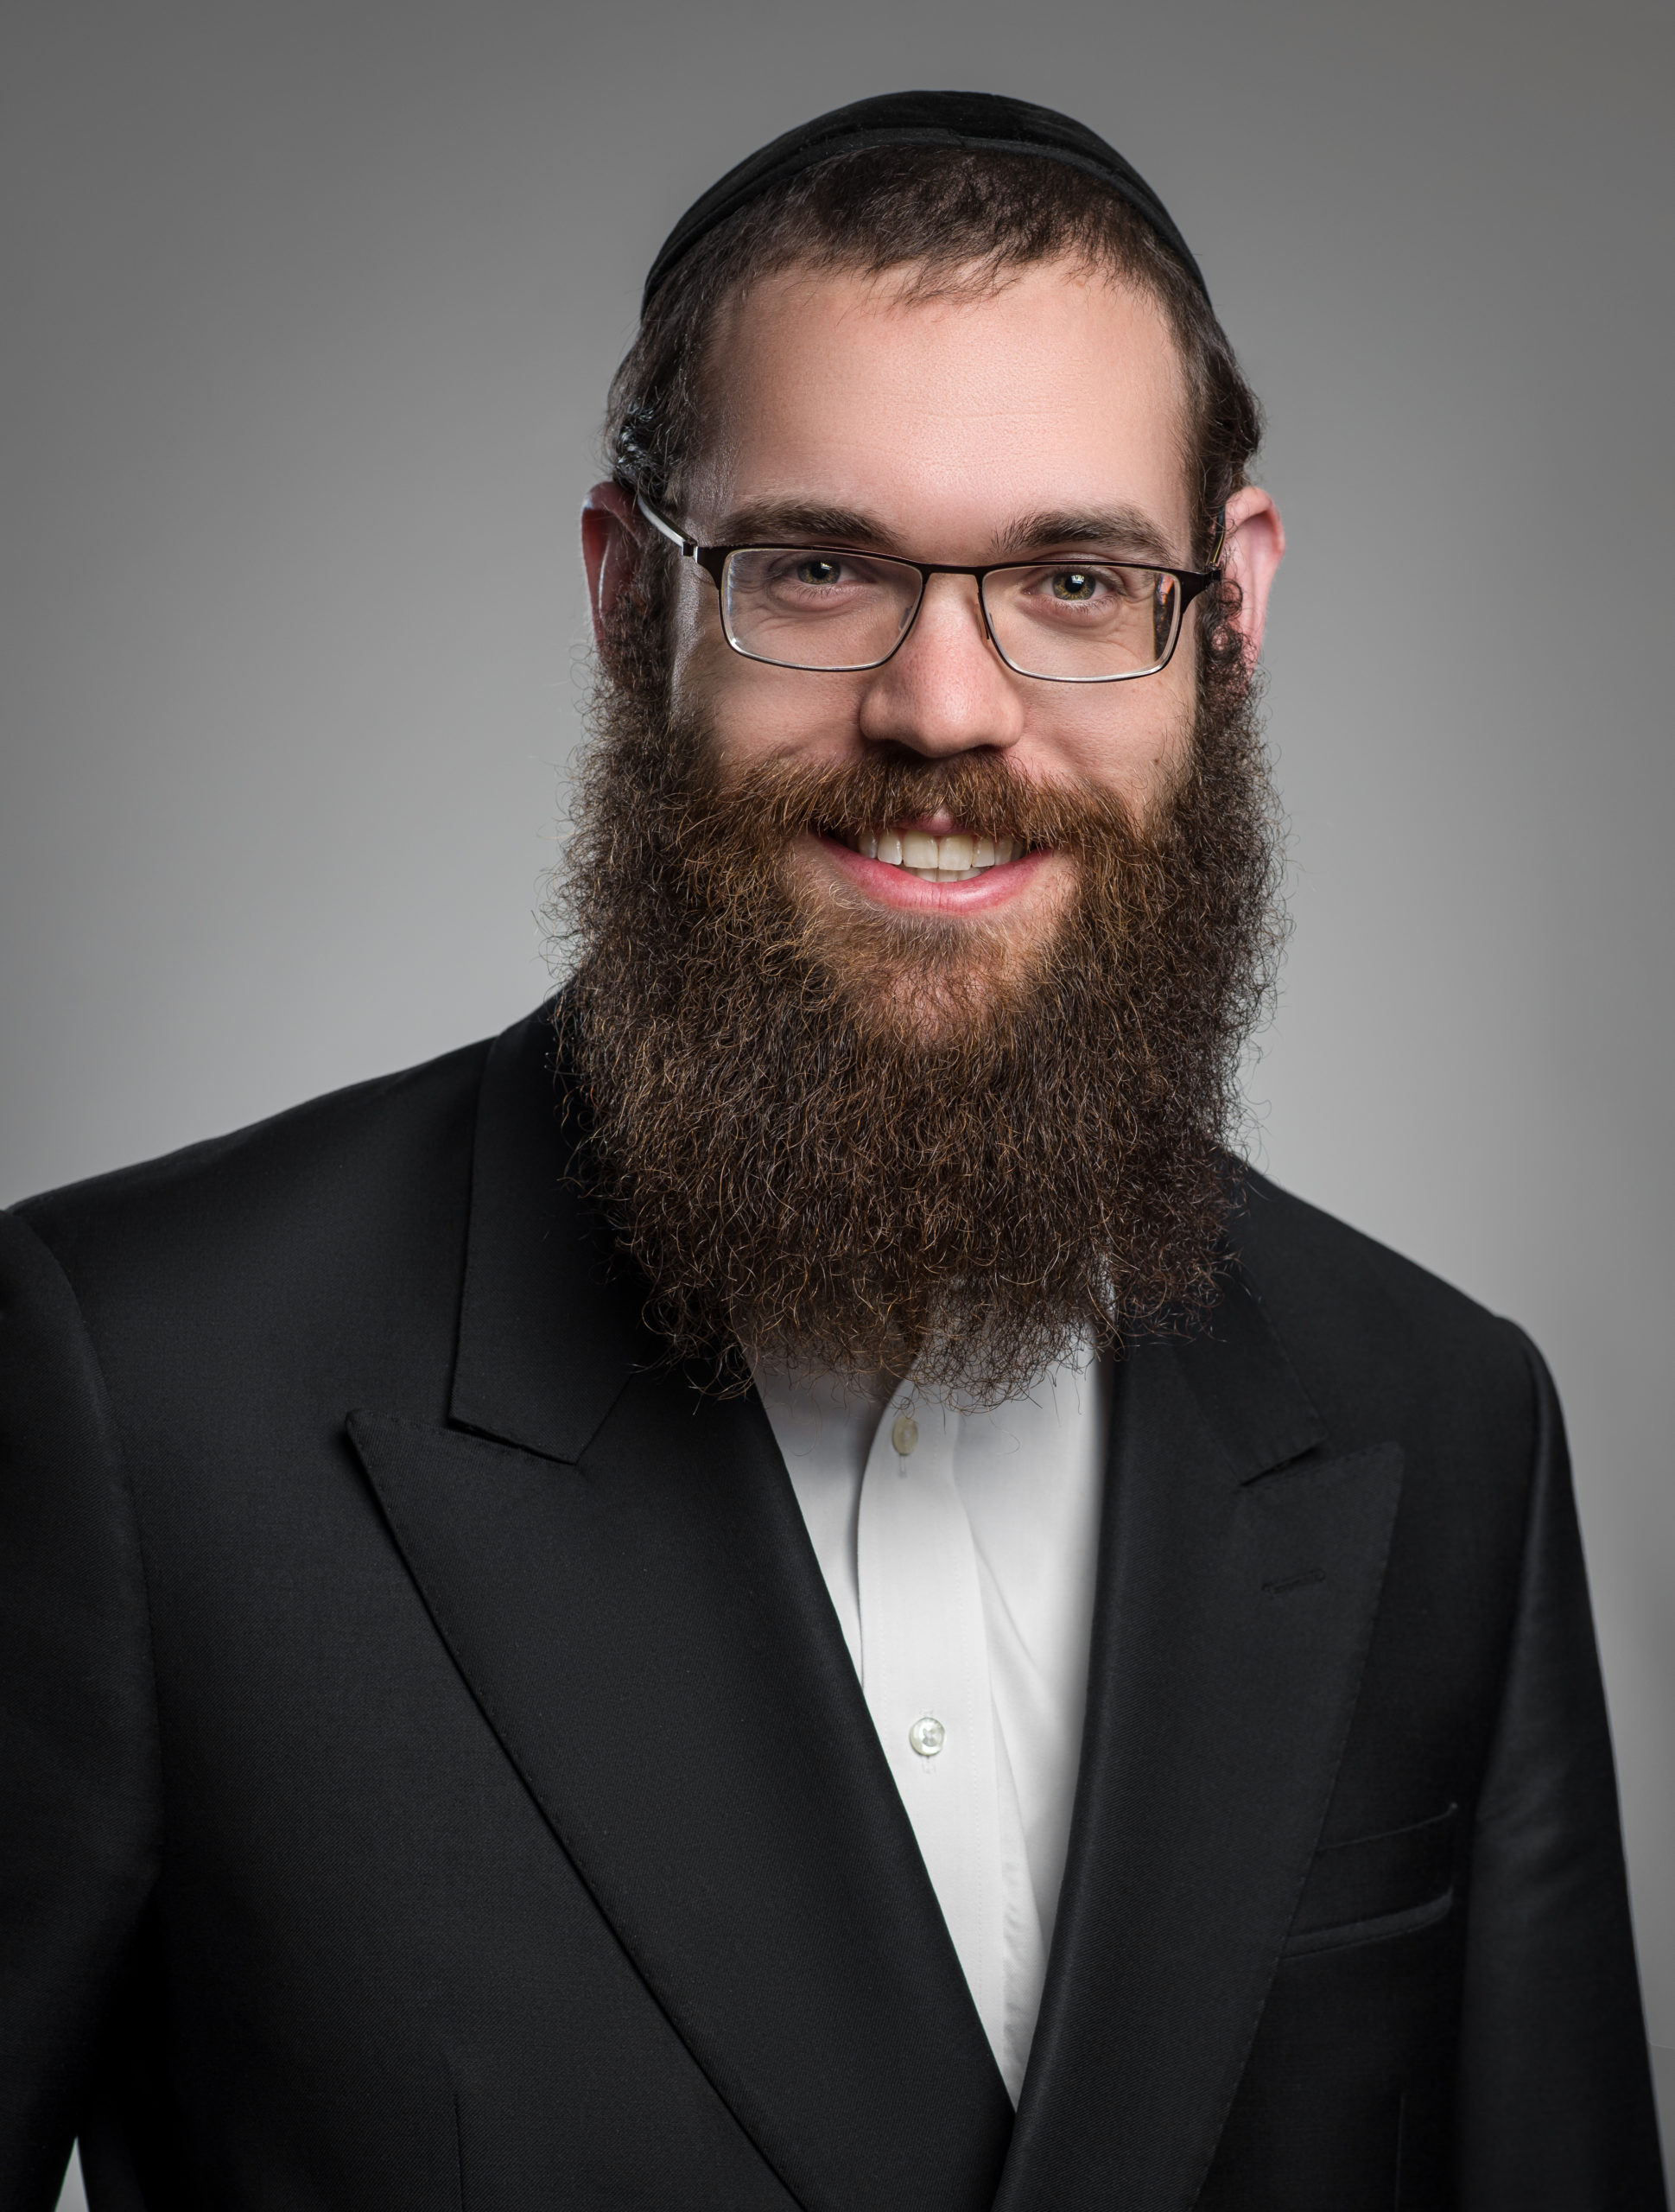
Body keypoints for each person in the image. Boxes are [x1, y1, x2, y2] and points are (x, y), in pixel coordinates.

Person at [0, 89, 1664, 2212]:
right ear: (631, 602)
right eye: (816, 568)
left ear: (1229, 613)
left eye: (1076, 578)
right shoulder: (135, 1388)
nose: (944, 708)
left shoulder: (1444, 1419)